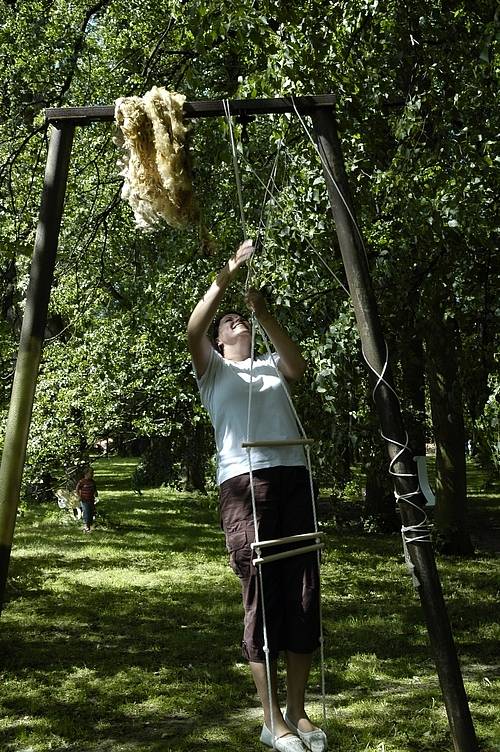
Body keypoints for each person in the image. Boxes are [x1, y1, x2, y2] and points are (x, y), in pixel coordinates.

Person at [187, 239, 327, 752]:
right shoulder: (213, 372)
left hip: (293, 475)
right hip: (244, 483)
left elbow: (298, 365)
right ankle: (271, 720)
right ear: (220, 342)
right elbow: (192, 328)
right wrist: (227, 275)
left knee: (303, 592)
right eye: (229, 324)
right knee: (262, 593)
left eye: (237, 320)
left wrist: (262, 312)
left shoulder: (271, 366)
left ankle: (296, 711)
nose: (233, 324)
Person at [76, 467, 98, 533]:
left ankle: (90, 524)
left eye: (93, 473)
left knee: (91, 512)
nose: (92, 474)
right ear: (86, 474)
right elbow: (77, 489)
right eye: (91, 473)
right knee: (86, 512)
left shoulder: (92, 482)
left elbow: (94, 489)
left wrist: (96, 493)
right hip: (84, 500)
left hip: (91, 499)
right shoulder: (82, 481)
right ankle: (86, 526)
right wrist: (79, 496)